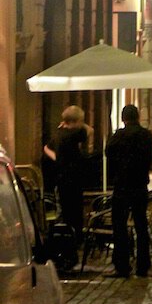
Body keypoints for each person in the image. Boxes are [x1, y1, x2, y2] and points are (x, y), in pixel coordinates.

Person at [105, 104, 152, 278]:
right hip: (140, 185)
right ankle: (143, 266)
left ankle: (122, 266)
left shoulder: (118, 136)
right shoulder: (146, 135)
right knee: (141, 226)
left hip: (122, 186)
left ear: (123, 118)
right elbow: (151, 157)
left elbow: (108, 153)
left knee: (119, 226)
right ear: (138, 117)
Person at [43, 104, 92, 246]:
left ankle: (67, 239)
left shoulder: (58, 134)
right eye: (81, 120)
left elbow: (46, 148)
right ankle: (75, 240)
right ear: (75, 121)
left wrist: (57, 158)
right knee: (75, 212)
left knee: (64, 211)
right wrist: (81, 124)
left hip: (61, 179)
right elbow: (90, 130)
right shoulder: (75, 134)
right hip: (73, 180)